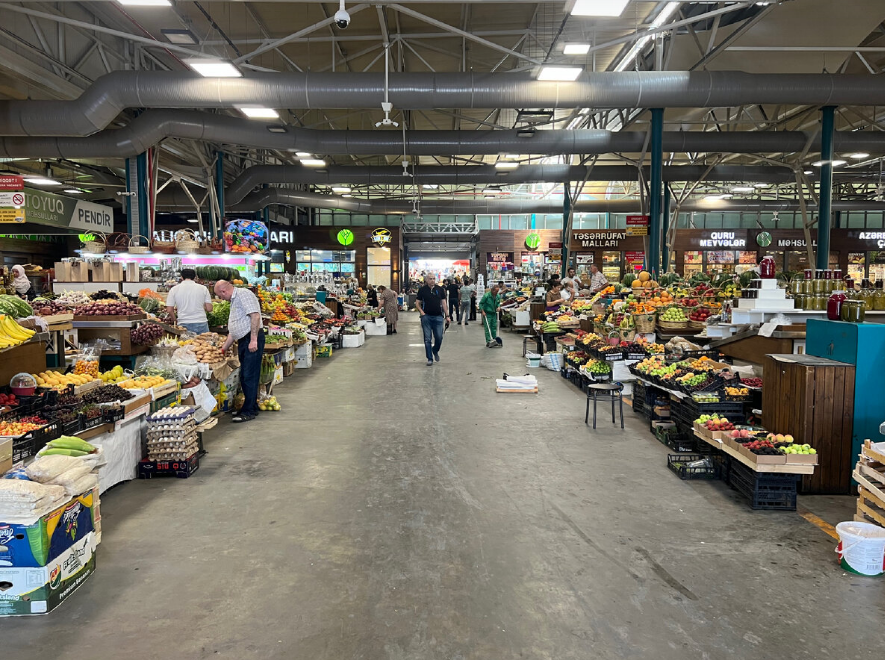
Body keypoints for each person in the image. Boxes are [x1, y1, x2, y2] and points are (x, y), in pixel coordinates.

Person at [214, 280, 264, 423]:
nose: (221, 299)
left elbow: (255, 315)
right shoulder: (234, 300)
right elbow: (235, 329)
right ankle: (251, 406)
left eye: (220, 295)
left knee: (249, 375)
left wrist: (253, 339)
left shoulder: (244, 294)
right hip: (244, 340)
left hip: (251, 339)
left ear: (223, 291)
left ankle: (248, 411)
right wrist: (224, 347)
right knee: (246, 375)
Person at [415, 274, 449, 366]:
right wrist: (422, 312)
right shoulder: (422, 290)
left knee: (439, 337)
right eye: (430, 279)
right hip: (426, 317)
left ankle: (435, 350)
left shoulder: (440, 289)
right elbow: (417, 303)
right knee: (427, 339)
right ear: (426, 280)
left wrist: (447, 315)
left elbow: (444, 303)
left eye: (434, 279)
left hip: (438, 317)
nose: (432, 280)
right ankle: (429, 358)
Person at [166, 268, 212, 334]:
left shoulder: (174, 289)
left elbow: (169, 310)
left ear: (181, 277)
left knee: (186, 344)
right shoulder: (203, 288)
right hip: (201, 322)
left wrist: (175, 321)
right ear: (195, 277)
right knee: (204, 343)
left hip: (183, 323)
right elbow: (209, 309)